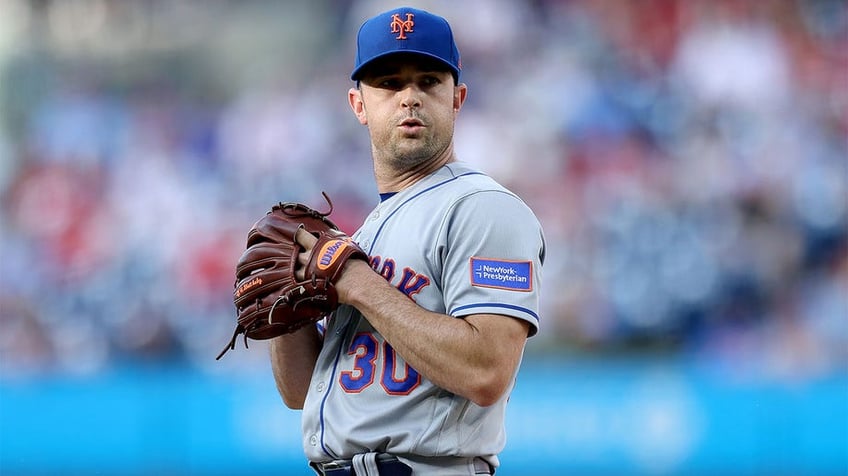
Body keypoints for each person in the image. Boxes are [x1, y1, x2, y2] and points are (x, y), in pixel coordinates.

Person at [270, 6, 545, 475]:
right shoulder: (365, 231)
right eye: (390, 83)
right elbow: (301, 394)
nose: (410, 97)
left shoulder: (482, 207)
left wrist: (356, 283)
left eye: (428, 81)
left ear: (457, 98)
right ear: (359, 105)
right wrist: (287, 310)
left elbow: (486, 371)